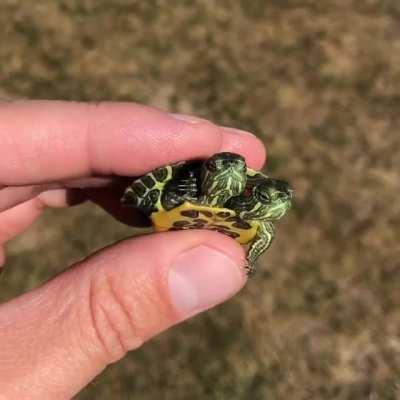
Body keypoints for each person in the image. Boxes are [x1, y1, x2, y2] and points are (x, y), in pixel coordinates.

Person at [0, 101, 266, 398]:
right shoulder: (188, 181)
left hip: (211, 222)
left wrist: (251, 254)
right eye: (218, 167)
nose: (229, 172)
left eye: (236, 170)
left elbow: (266, 219)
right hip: (175, 210)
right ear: (205, 172)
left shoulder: (244, 201)